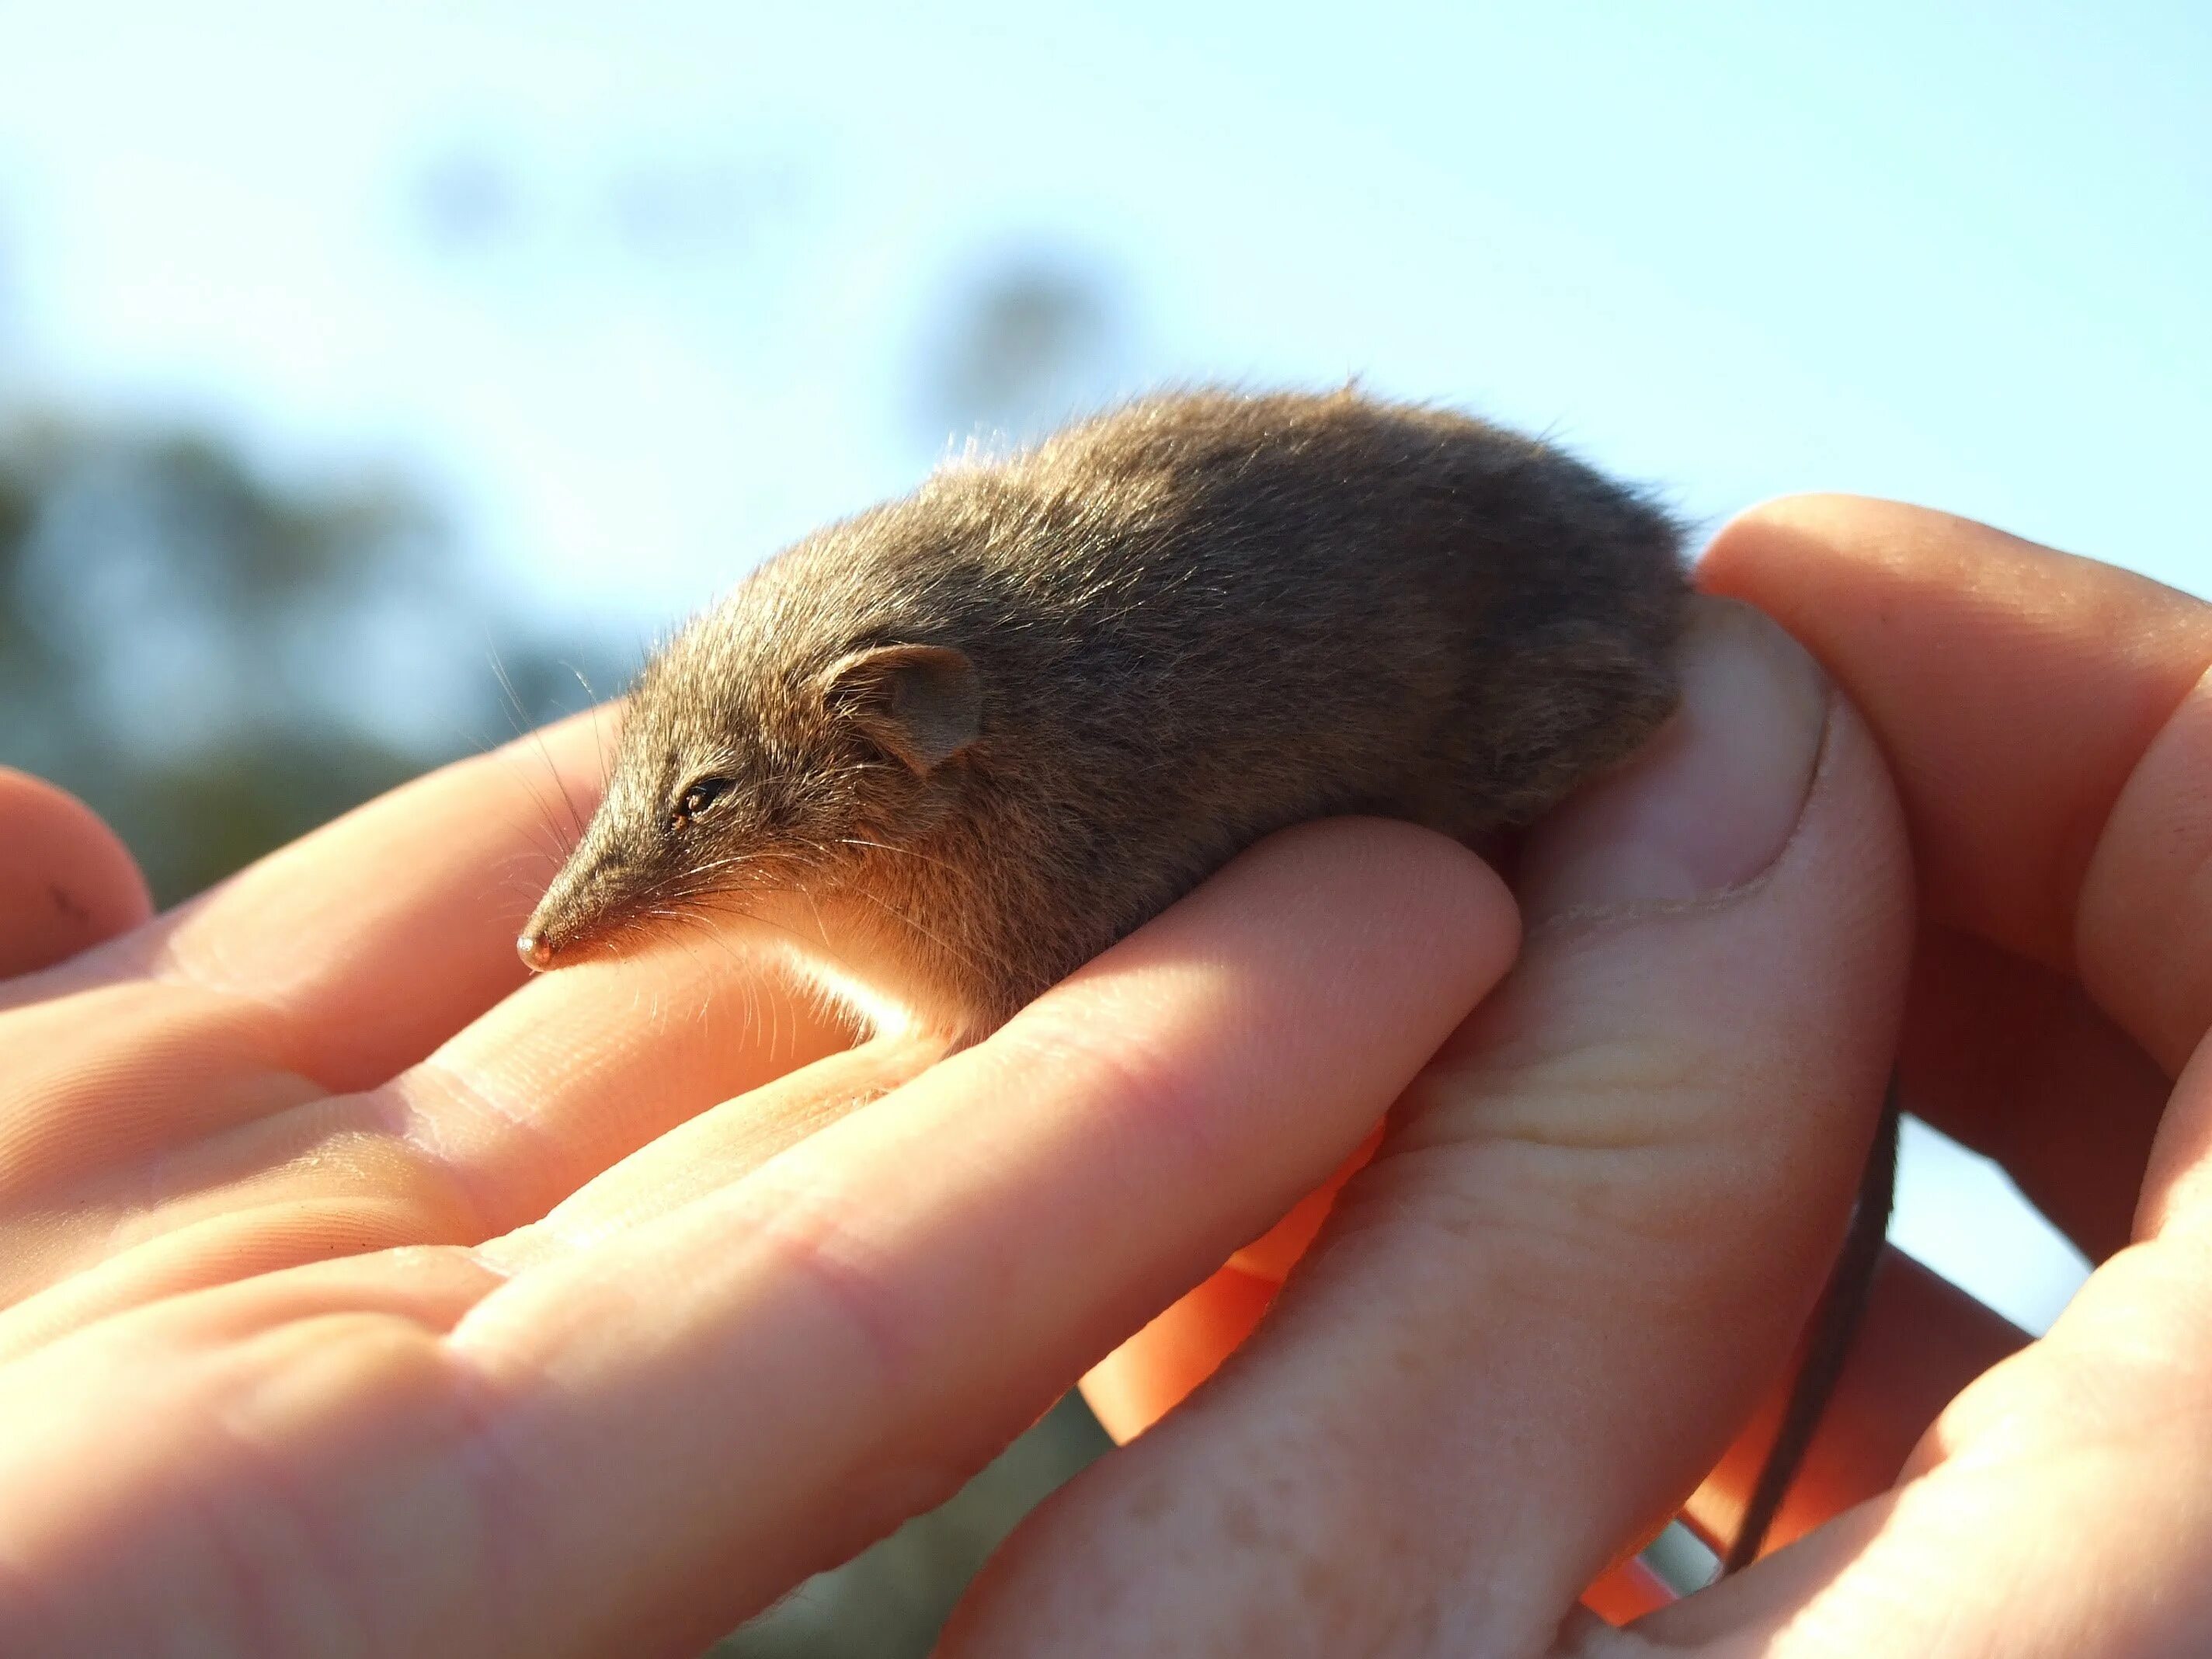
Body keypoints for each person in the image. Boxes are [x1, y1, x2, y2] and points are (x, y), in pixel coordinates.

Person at [0, 496, 2200, 1656]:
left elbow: (1012, 973)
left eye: (708, 818)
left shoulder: (1021, 824)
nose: (582, 914)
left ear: (910, 736)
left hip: (1551, 651)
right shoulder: (959, 749)